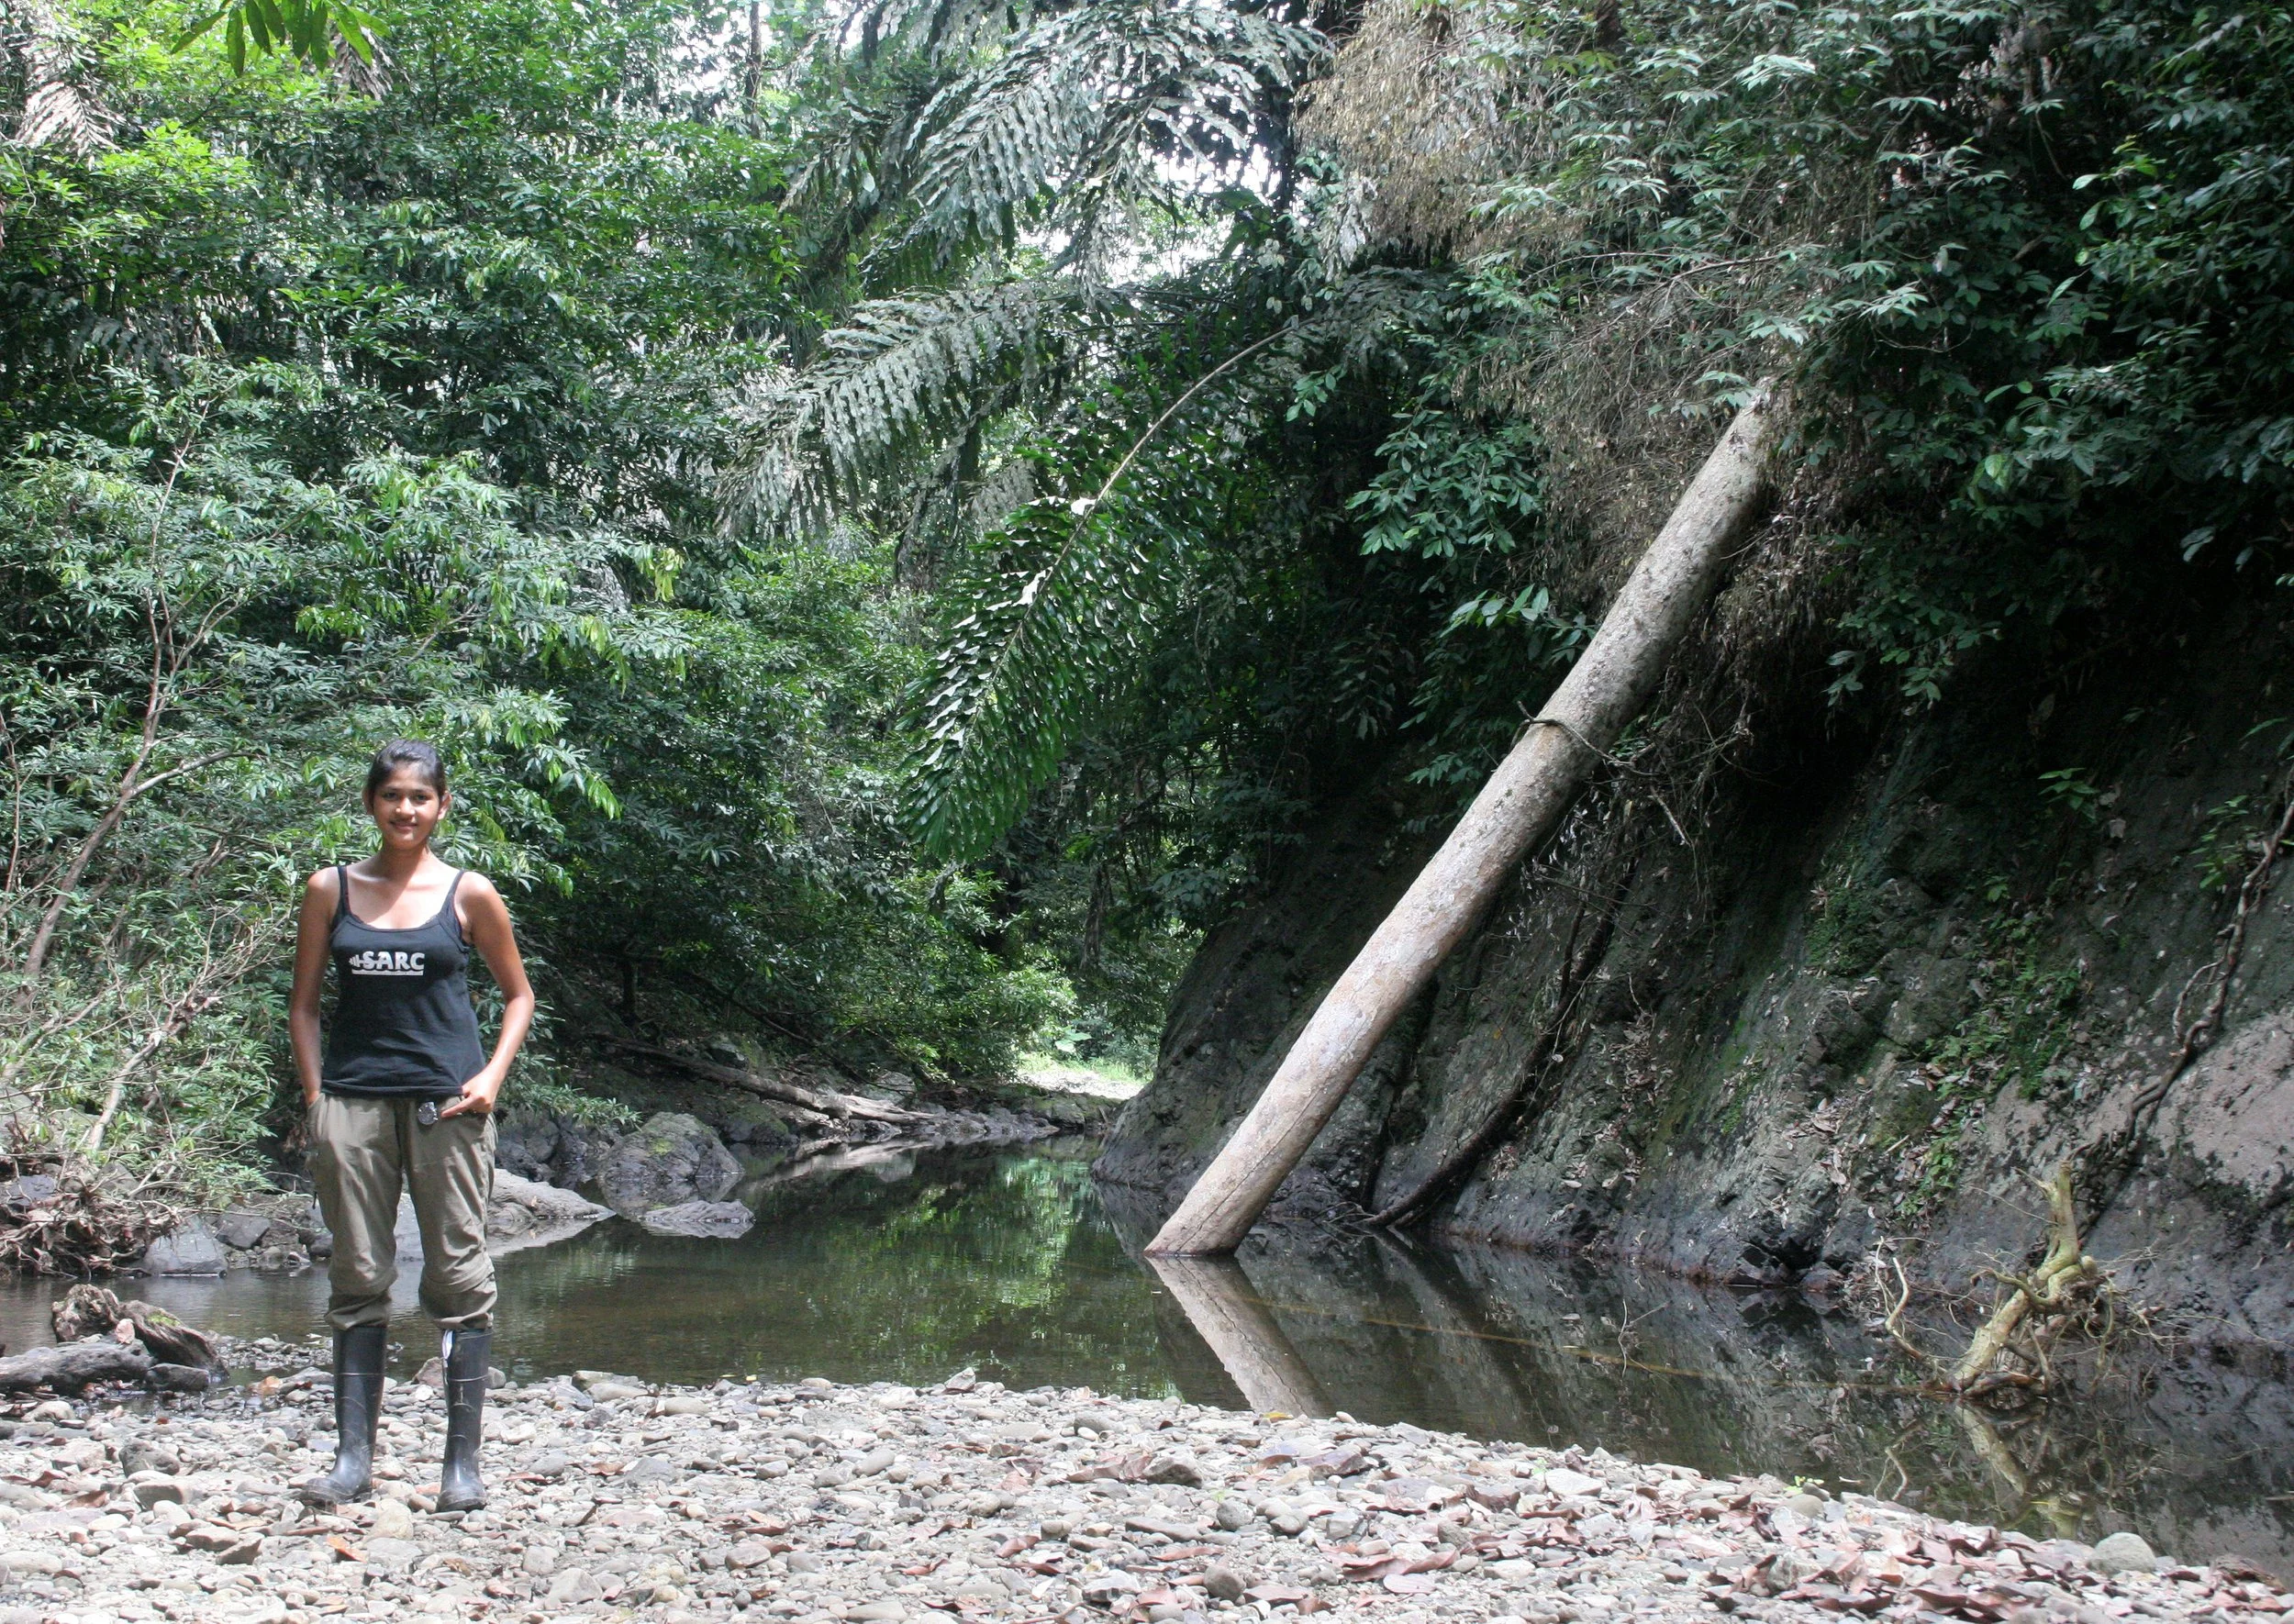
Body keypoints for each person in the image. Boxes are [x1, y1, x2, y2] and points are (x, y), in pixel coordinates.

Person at [286, 740, 535, 1511]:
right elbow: (302, 1004)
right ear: (372, 803)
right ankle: (351, 1462)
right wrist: (317, 1099)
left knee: (458, 1276)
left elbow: (519, 995)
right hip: (354, 1103)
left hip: (447, 1107)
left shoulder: (470, 894)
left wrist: (490, 1077)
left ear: (442, 806)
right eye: (392, 796)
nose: (405, 809)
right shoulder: (332, 888)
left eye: (420, 798)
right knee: (359, 1277)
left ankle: (460, 1470)